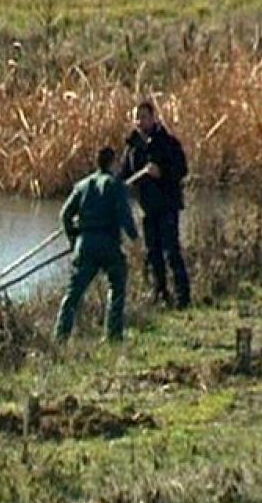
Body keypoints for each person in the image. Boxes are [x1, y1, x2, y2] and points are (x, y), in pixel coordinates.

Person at [54, 146, 139, 342]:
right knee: (117, 285)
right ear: (113, 162)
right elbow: (125, 216)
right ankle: (113, 335)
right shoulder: (115, 185)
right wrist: (135, 239)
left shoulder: (82, 186)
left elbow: (65, 215)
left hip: (85, 244)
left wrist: (73, 239)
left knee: (73, 293)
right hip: (108, 244)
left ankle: (60, 337)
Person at [120, 101, 191, 309]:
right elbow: (124, 175)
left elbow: (182, 170)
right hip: (147, 208)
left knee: (171, 251)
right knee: (153, 253)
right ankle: (160, 294)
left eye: (143, 117)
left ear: (153, 118)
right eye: (136, 117)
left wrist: (161, 173)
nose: (139, 122)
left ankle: (183, 298)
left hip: (167, 205)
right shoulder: (132, 148)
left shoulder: (168, 142)